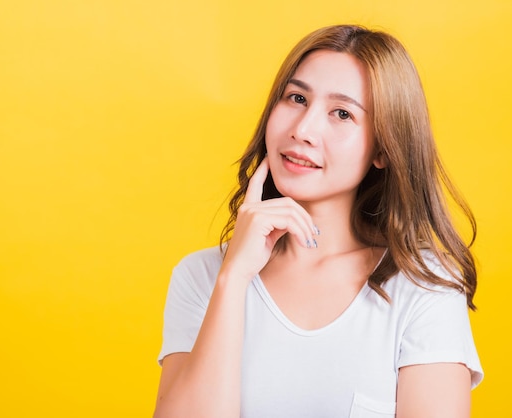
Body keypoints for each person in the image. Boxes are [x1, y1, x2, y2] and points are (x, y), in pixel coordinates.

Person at [153, 24, 483, 418]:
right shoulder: (202, 277)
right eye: (296, 98)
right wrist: (233, 278)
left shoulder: (423, 286)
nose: (302, 130)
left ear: (383, 147)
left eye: (342, 113)